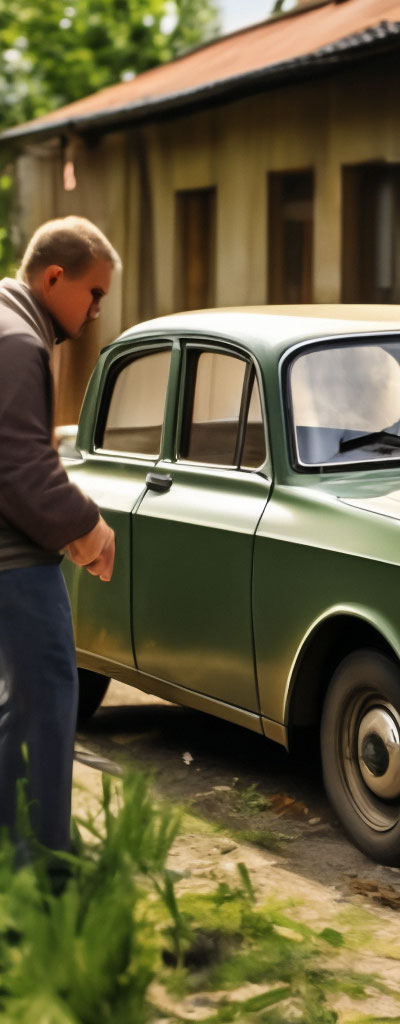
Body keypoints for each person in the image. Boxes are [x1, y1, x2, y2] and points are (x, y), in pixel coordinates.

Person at [0, 215, 119, 860]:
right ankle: (42, 872)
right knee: (46, 705)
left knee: (19, 711)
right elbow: (19, 464)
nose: (97, 309)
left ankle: (21, 857)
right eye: (93, 293)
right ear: (53, 277)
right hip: (13, 563)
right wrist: (88, 527)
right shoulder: (19, 340)